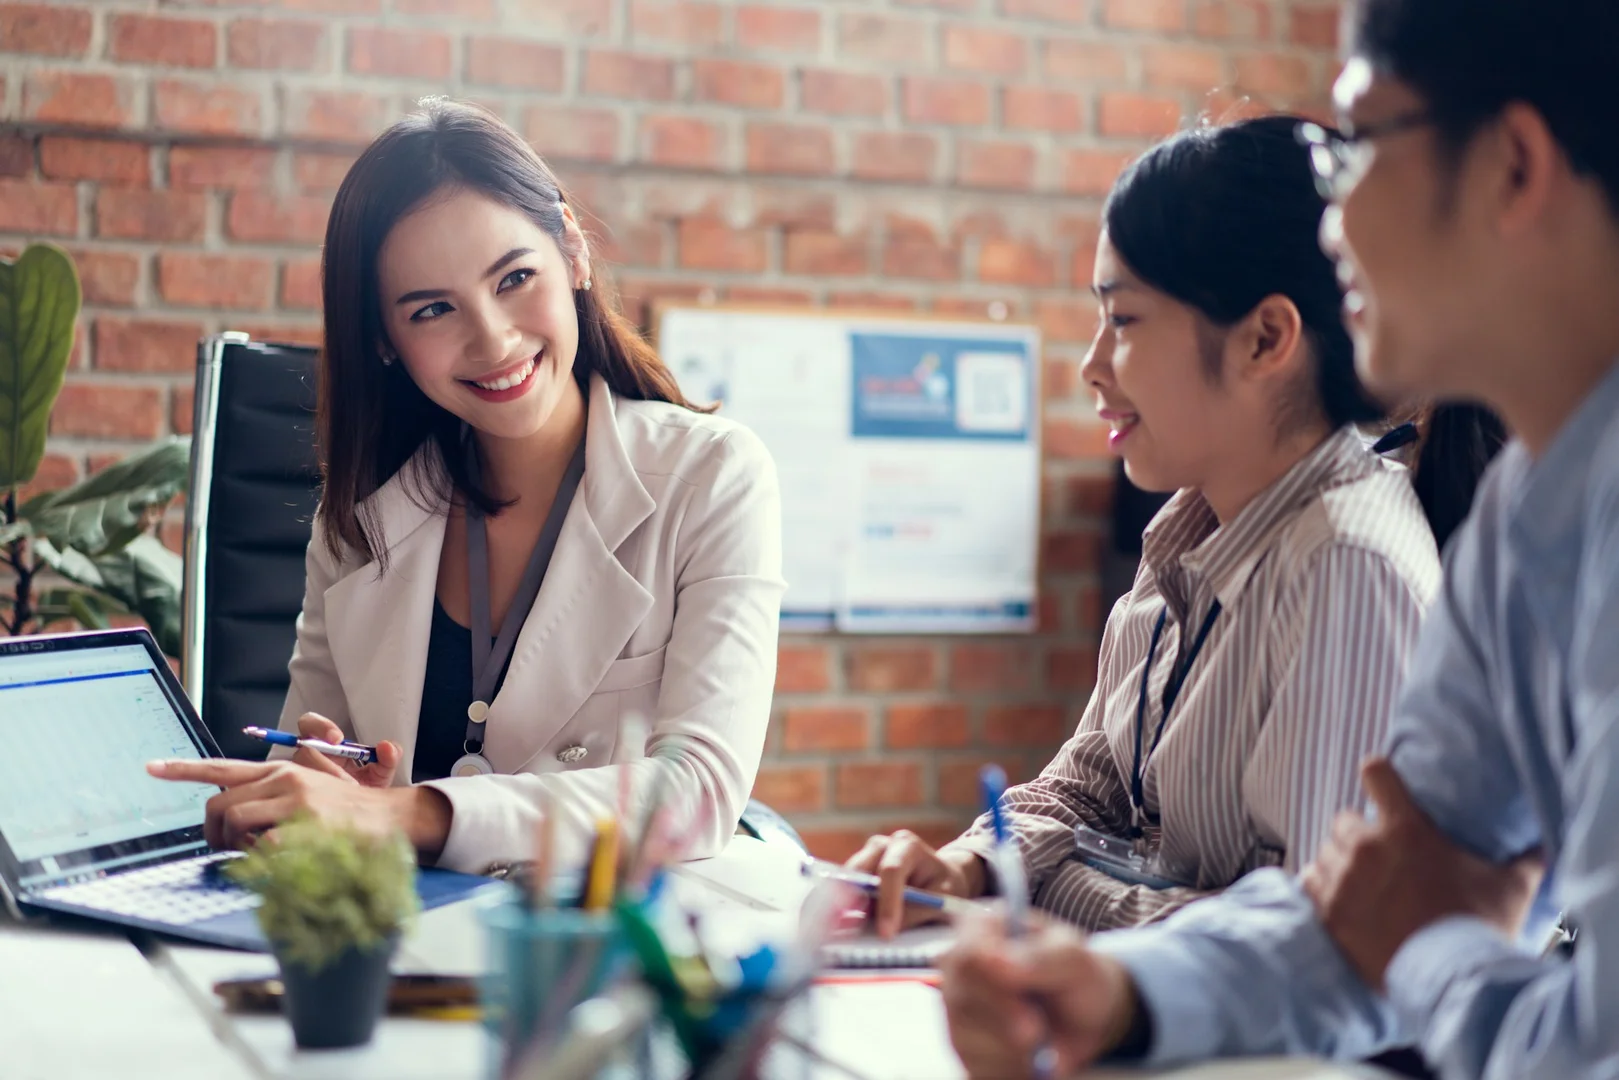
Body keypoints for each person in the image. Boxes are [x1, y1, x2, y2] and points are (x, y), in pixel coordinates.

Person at [938, 0, 1619, 1077]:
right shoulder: (1522, 520)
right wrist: (1117, 992)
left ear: (1512, 165)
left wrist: (1429, 948)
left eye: (1356, 148)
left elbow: (1573, 1040)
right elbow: (1345, 924)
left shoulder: (1377, 545)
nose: (1331, 223)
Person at [847, 114, 1499, 939]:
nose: (1089, 367)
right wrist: (971, 865)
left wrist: (1048, 888)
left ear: (1264, 338)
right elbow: (1086, 788)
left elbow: (1308, 946)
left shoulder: (1345, 565)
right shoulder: (1188, 530)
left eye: (1121, 323)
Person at [150, 100, 785, 874]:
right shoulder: (360, 522)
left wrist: (407, 811)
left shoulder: (711, 477)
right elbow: (328, 773)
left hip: (599, 958)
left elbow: (698, 793)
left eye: (515, 278)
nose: (493, 339)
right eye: (432, 310)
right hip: (406, 945)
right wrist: (325, 793)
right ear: (385, 340)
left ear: (573, 252)